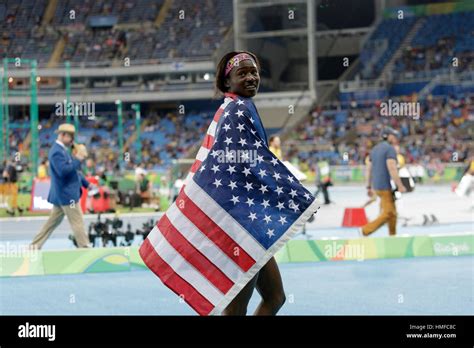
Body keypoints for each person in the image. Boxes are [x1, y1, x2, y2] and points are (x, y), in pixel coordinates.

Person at [214, 51, 286, 316]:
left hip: (249, 219)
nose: (251, 77)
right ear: (227, 82)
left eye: (254, 72)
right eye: (242, 73)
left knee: (275, 297)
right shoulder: (236, 110)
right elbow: (243, 165)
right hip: (242, 220)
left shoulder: (239, 107)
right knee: (236, 308)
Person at [31, 124, 93, 249]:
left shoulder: (62, 150)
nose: (72, 140)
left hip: (62, 195)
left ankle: (34, 246)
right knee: (77, 222)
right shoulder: (56, 152)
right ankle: (85, 248)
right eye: (71, 137)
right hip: (67, 195)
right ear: (63, 135)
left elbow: (74, 172)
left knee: (51, 223)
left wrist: (86, 184)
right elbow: (64, 171)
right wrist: (78, 159)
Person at [361, 128, 406, 236]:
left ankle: (392, 235)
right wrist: (400, 185)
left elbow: (369, 169)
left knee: (393, 213)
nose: (395, 138)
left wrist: (368, 186)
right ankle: (365, 230)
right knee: (388, 213)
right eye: (393, 136)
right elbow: (392, 167)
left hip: (377, 187)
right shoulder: (390, 149)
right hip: (385, 186)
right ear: (387, 136)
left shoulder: (374, 149)